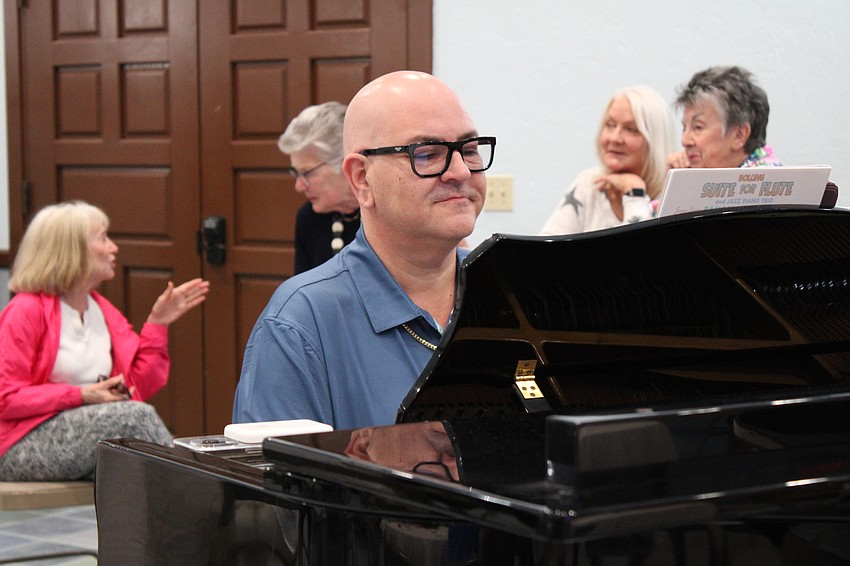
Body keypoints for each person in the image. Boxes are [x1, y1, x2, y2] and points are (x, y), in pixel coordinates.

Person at [233, 71, 495, 430]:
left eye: (468, 149)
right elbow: (279, 483)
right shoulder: (298, 327)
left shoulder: (513, 297)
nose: (461, 171)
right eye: (428, 154)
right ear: (361, 179)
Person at [0, 201, 209, 481]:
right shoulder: (26, 310)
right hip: (18, 444)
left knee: (136, 458)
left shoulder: (100, 309)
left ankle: (194, 510)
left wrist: (158, 324)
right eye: (102, 238)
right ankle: (206, 502)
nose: (113, 248)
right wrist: (80, 395)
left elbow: (133, 388)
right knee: (136, 420)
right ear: (71, 249)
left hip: (81, 436)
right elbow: (5, 398)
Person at [540, 86, 677, 235]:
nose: (614, 138)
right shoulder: (589, 183)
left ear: (656, 141)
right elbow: (544, 252)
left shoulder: (673, 196)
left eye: (631, 129)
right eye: (610, 125)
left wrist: (634, 194)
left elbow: (641, 253)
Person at [278, 101, 361, 274]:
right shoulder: (309, 219)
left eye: (306, 173)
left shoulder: (390, 216)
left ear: (347, 164)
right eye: (296, 173)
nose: (299, 186)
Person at [667, 65, 782, 169]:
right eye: (684, 128)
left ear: (739, 135)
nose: (685, 141)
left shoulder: (764, 184)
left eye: (698, 127)